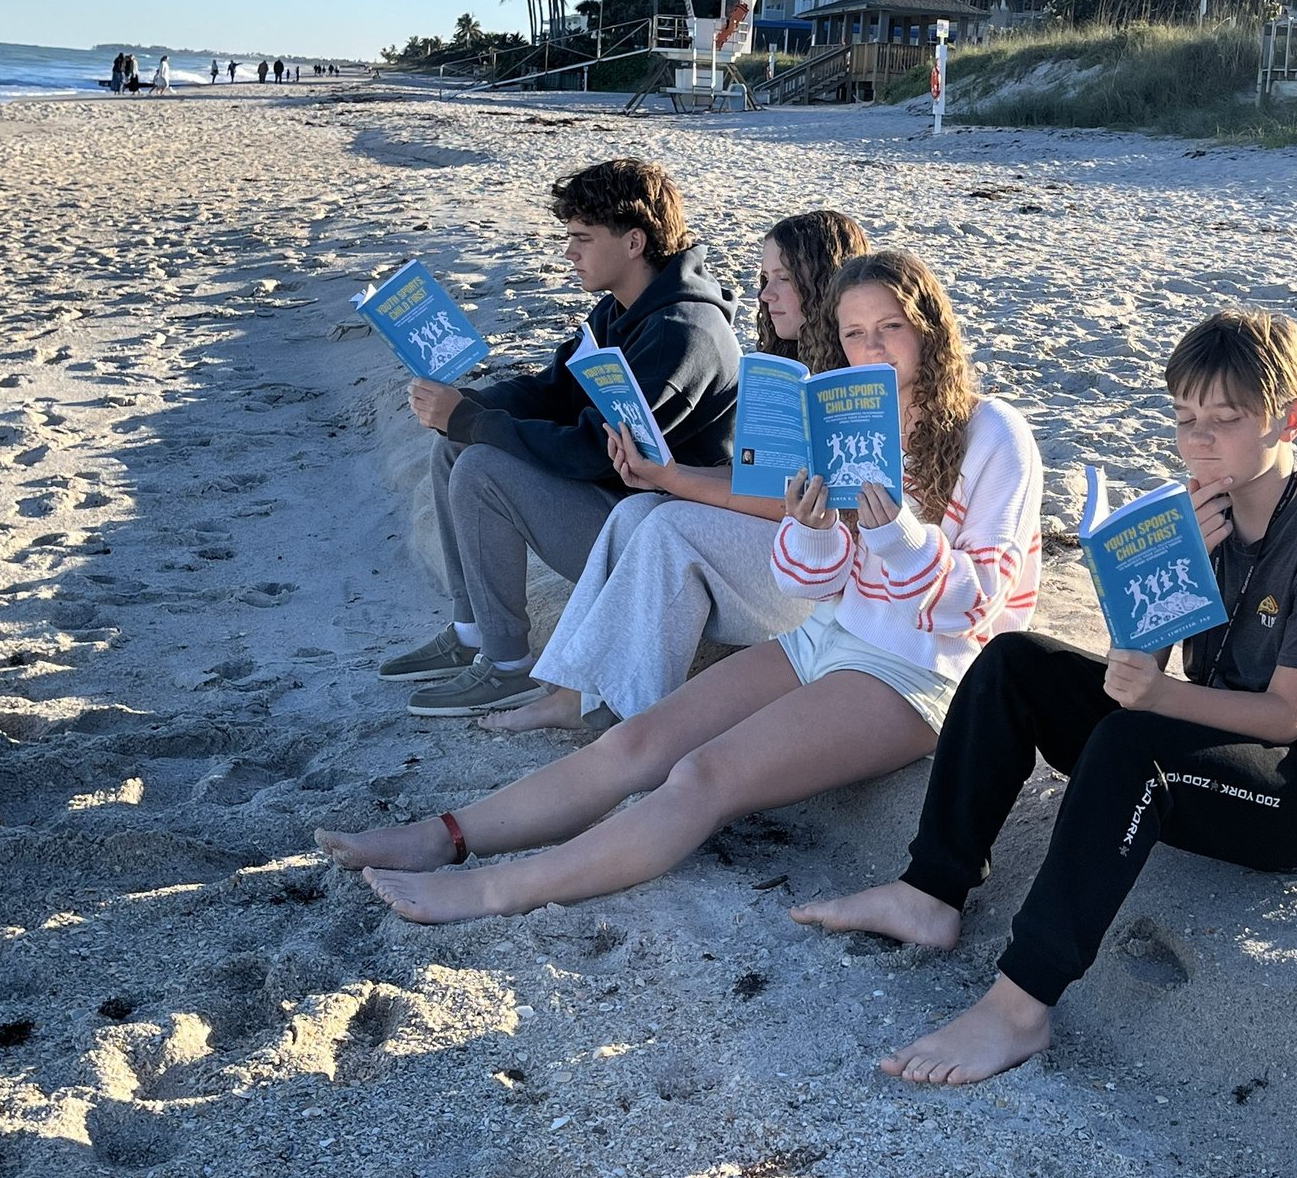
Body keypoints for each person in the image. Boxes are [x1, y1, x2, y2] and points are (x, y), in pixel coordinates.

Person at [317, 251, 1045, 924]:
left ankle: (491, 889)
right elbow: (811, 582)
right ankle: (443, 836)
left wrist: (897, 533)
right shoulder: (853, 421)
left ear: (932, 331)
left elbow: (977, 609)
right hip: (831, 636)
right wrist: (816, 525)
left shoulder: (993, 434)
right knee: (636, 742)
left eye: (892, 327)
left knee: (702, 774)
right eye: (855, 334)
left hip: (923, 674)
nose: (873, 348)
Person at [794, 307, 1297, 1086]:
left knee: (1131, 741)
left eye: (1226, 420)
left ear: (1290, 419)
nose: (1200, 441)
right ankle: (930, 890)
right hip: (1221, 739)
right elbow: (1142, 665)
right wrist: (1159, 582)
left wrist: (1151, 696)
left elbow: (1287, 717)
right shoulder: (1203, 513)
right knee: (1017, 661)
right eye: (1185, 419)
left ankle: (1019, 1007)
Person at [377, 158, 742, 718]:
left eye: (581, 238)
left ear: (634, 242)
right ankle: (471, 630)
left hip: (655, 543)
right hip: (620, 507)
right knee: (453, 446)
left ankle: (507, 669)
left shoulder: (683, 335)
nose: (568, 252)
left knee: (479, 466)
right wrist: (470, 405)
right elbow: (552, 390)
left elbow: (593, 452)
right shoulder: (619, 311)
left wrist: (473, 423)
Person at [481, 209, 869, 734]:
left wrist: (677, 481)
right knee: (638, 510)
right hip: (782, 551)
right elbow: (756, 478)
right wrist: (666, 473)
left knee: (669, 525)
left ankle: (637, 724)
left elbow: (803, 504)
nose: (765, 295)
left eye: (783, 279)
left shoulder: (852, 378)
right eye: (764, 279)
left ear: (822, 282)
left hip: (827, 573)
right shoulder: (792, 363)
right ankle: (574, 693)